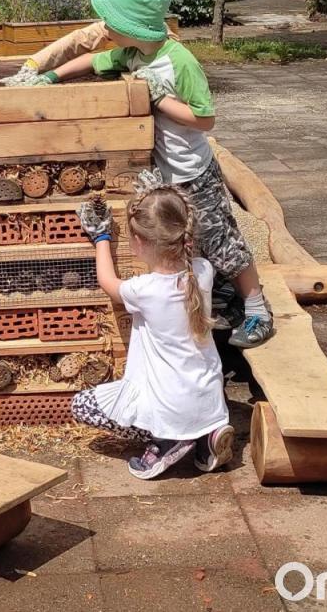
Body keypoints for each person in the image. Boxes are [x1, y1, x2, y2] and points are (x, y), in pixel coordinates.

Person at [32, 0, 274, 348]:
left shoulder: (180, 62)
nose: (106, 26)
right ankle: (215, 298)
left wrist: (161, 101)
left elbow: (205, 118)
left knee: (222, 241)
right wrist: (48, 78)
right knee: (186, 242)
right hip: (166, 175)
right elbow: (94, 62)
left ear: (134, 26)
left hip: (195, 171)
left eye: (112, 20)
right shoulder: (132, 55)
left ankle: (258, 308)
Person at [73, 180, 234, 478]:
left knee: (82, 406)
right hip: (210, 402)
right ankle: (206, 439)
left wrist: (102, 237)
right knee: (189, 407)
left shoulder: (144, 290)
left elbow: (108, 282)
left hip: (171, 408)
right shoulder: (203, 272)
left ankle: (165, 442)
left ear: (140, 243)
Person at [0, 0, 165, 87]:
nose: (106, 22)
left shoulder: (165, 52)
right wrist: (34, 64)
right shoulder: (121, 38)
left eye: (112, 5)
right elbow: (80, 40)